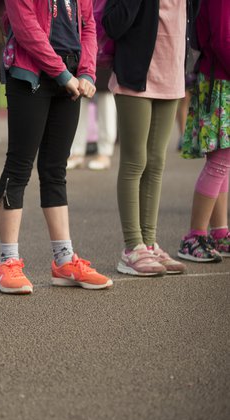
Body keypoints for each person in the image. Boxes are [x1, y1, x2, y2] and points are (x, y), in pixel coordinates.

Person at [0, 0, 113, 294]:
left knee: (55, 169)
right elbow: (25, 28)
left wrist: (86, 72)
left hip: (69, 75)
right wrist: (62, 74)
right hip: (30, 74)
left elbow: (88, 25)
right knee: (19, 166)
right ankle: (6, 263)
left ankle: (64, 260)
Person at [104, 0, 197, 276]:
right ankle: (133, 247)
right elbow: (113, 23)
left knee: (156, 161)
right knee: (135, 162)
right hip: (136, 73)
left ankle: (149, 242)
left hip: (171, 74)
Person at [177, 0, 229, 263]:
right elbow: (222, 40)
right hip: (220, 80)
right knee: (220, 162)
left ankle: (219, 232)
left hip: (220, 79)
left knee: (222, 163)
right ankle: (194, 236)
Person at [68, 67, 117, 171]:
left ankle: (104, 153)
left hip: (105, 58)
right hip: (82, 59)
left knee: (106, 100)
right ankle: (76, 152)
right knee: (78, 97)